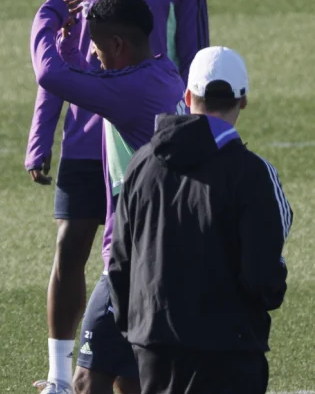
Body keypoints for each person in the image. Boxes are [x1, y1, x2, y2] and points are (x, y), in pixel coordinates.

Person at [27, 0, 209, 394]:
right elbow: (60, 63)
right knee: (71, 249)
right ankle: (63, 378)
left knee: (133, 259)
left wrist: (195, 140)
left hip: (143, 141)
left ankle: (116, 372)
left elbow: (195, 57)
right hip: (88, 139)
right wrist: (42, 136)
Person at [109, 47, 291, 394]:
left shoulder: (141, 164)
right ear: (243, 101)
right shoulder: (252, 173)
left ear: (188, 95)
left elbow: (120, 262)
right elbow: (261, 276)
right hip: (229, 350)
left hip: (154, 346)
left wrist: (137, 329)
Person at [31, 0, 186, 394]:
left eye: (96, 46)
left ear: (118, 45)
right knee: (129, 380)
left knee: (85, 380)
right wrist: (69, 40)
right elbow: (82, 75)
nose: (94, 54)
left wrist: (47, 17)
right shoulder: (158, 74)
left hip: (132, 261)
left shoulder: (132, 92)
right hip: (161, 255)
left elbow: (50, 75)